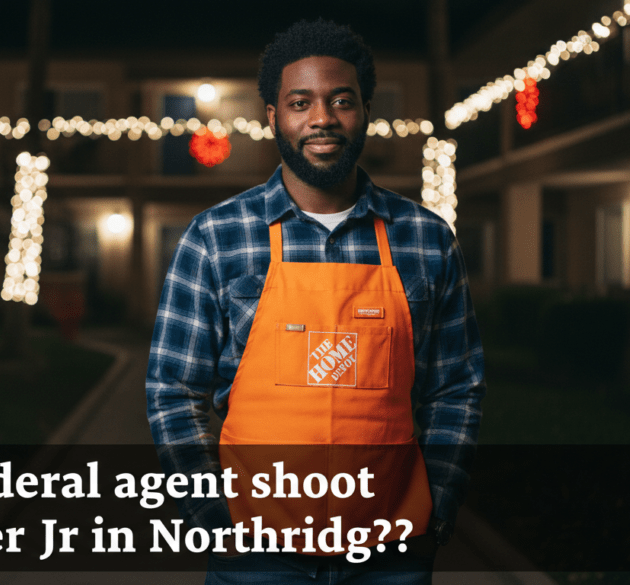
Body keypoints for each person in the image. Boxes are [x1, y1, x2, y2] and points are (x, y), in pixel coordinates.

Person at [147, 19, 485, 584]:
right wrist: (212, 518)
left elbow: (456, 390)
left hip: (389, 556)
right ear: (273, 117)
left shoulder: (425, 239)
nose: (322, 118)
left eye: (341, 101)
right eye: (300, 102)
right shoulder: (216, 237)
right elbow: (172, 391)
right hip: (255, 556)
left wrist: (437, 512)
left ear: (366, 111)